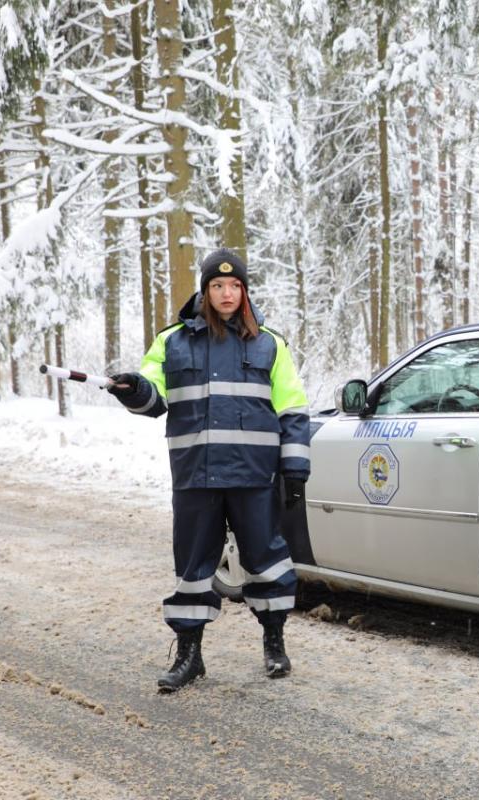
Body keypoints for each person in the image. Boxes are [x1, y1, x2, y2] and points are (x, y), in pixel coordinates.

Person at [107, 248, 310, 692]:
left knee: (265, 562)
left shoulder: (269, 344)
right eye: (217, 286)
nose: (226, 293)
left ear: (244, 290)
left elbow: (293, 408)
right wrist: (133, 389)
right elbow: (153, 398)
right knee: (193, 567)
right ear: (204, 290)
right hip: (196, 476)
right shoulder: (172, 342)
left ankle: (274, 642)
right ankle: (189, 655)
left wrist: (295, 468)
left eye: (234, 285)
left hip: (253, 476)